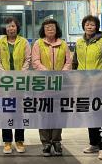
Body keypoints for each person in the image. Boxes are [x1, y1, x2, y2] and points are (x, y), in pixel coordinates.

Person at [72, 15, 102, 161]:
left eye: (92, 25)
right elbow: (75, 62)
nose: (89, 27)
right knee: (90, 115)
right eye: (87, 24)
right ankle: (94, 144)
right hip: (83, 85)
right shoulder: (79, 42)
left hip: (100, 85)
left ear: (97, 27)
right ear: (83, 26)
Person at [31, 18, 72, 157]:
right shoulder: (38, 44)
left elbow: (68, 62)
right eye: (47, 27)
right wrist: (48, 73)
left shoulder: (63, 44)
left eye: (52, 27)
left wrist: (61, 74)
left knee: (57, 113)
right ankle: (46, 143)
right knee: (44, 113)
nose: (50, 29)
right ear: (43, 30)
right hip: (43, 83)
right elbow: (35, 62)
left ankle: (56, 141)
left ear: (57, 29)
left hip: (59, 83)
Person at [0, 17, 31, 154]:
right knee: (6, 111)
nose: (11, 28)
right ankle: (7, 141)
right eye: (8, 26)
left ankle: (19, 140)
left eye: (13, 26)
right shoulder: (0, 42)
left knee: (20, 112)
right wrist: (5, 75)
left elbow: (28, 59)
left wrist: (20, 74)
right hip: (5, 83)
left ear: (17, 27)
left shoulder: (24, 42)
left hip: (20, 82)